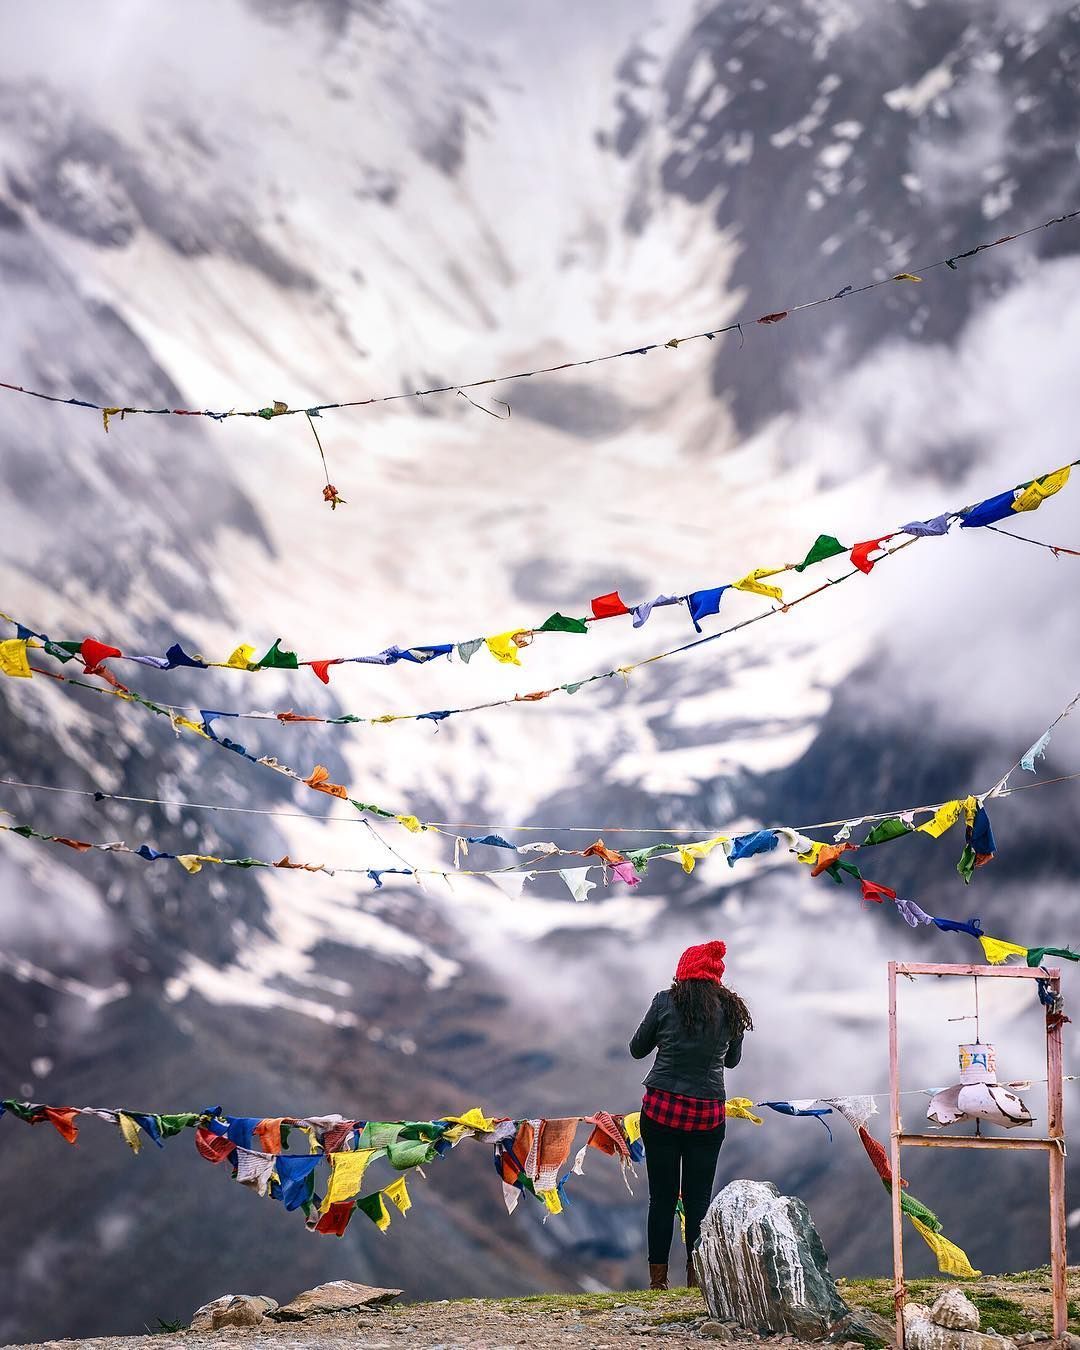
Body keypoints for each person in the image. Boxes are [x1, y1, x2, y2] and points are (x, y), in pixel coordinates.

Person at [629, 940, 752, 1291]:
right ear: (716, 976)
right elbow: (731, 1061)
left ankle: (658, 1282)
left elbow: (637, 1049)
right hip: (707, 1115)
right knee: (698, 1201)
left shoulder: (665, 1001)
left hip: (661, 1111)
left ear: (683, 971)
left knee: (662, 1199)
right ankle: (696, 1280)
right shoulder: (731, 1009)